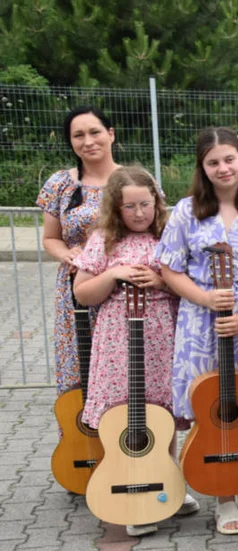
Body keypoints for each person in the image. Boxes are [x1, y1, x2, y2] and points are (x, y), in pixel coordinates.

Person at [157, 127, 238, 534]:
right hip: (201, 320)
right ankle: (224, 499)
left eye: (229, 159)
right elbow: (168, 267)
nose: (223, 168)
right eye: (213, 162)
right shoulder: (186, 211)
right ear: (202, 168)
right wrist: (205, 298)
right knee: (215, 405)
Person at [71, 166, 195, 536]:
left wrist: (160, 280)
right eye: (130, 207)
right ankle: (127, 486)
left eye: (146, 204)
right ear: (116, 207)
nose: (139, 213)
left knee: (162, 411)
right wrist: (114, 274)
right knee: (122, 412)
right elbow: (82, 292)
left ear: (157, 203)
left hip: (162, 333)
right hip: (117, 339)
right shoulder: (104, 238)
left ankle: (167, 480)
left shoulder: (168, 235)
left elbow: (186, 284)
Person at [38, 106, 121, 398]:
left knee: (125, 370)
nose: (88, 141)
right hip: (76, 291)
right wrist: (67, 254)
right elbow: (50, 238)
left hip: (123, 291)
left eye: (95, 132)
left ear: (110, 134)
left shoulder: (134, 180)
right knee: (79, 371)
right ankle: (81, 442)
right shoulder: (60, 183)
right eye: (78, 135)